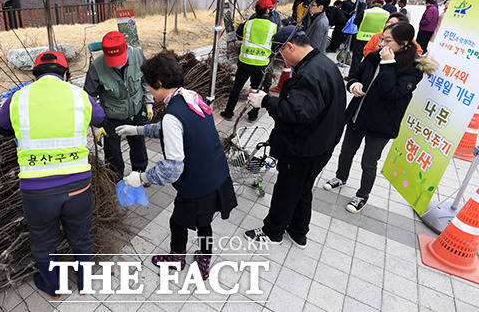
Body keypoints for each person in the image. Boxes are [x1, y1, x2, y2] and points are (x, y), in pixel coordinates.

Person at [116, 52, 237, 280]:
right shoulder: (190, 97)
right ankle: (204, 255)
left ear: (159, 83)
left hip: (196, 183)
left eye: (149, 86)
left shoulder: (173, 114)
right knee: (205, 222)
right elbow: (174, 128)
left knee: (177, 221)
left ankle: (177, 257)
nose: (148, 91)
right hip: (216, 172)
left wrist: (140, 178)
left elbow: (172, 168)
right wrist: (138, 130)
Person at [0, 50, 105, 298]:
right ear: (65, 74)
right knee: (81, 236)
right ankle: (85, 285)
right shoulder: (79, 95)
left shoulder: (18, 98)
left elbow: (0, 127)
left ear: (35, 75)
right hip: (78, 185)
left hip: (36, 191)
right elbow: (100, 116)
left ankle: (54, 288)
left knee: (44, 241)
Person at [244, 34, 346, 248]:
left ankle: (273, 232)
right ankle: (299, 232)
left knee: (286, 189)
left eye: (281, 54)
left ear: (289, 46)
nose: (282, 60)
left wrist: (266, 101)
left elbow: (297, 113)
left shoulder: (310, 74)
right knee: (302, 188)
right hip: (321, 144)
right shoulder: (323, 63)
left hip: (303, 147)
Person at [324, 22, 437, 212]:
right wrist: (354, 85)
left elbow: (390, 92)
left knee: (369, 161)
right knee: (346, 151)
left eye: (388, 40)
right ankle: (340, 177)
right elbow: (354, 76)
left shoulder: (413, 68)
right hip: (358, 115)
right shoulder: (374, 55)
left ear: (404, 43)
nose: (382, 43)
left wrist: (387, 64)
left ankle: (362, 195)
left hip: (382, 123)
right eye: (382, 38)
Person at [84, 31, 153, 178]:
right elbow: (88, 97)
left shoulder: (138, 56)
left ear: (126, 48)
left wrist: (148, 103)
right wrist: (96, 124)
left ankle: (139, 173)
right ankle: (115, 178)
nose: (117, 64)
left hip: (136, 110)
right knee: (112, 151)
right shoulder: (97, 66)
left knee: (138, 145)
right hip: (112, 115)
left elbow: (146, 81)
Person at [221, 0, 277, 122]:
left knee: (237, 87)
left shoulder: (248, 23)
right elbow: (275, 44)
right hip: (261, 64)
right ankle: (253, 115)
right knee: (256, 90)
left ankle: (229, 112)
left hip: (245, 62)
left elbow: (239, 35)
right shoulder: (273, 27)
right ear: (267, 10)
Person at [348, 0, 389, 79]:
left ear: (373, 3)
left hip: (362, 38)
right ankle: (366, 78)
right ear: (382, 4)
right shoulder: (387, 14)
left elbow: (355, 21)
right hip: (377, 40)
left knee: (356, 59)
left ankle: (352, 77)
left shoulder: (366, 12)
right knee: (372, 60)